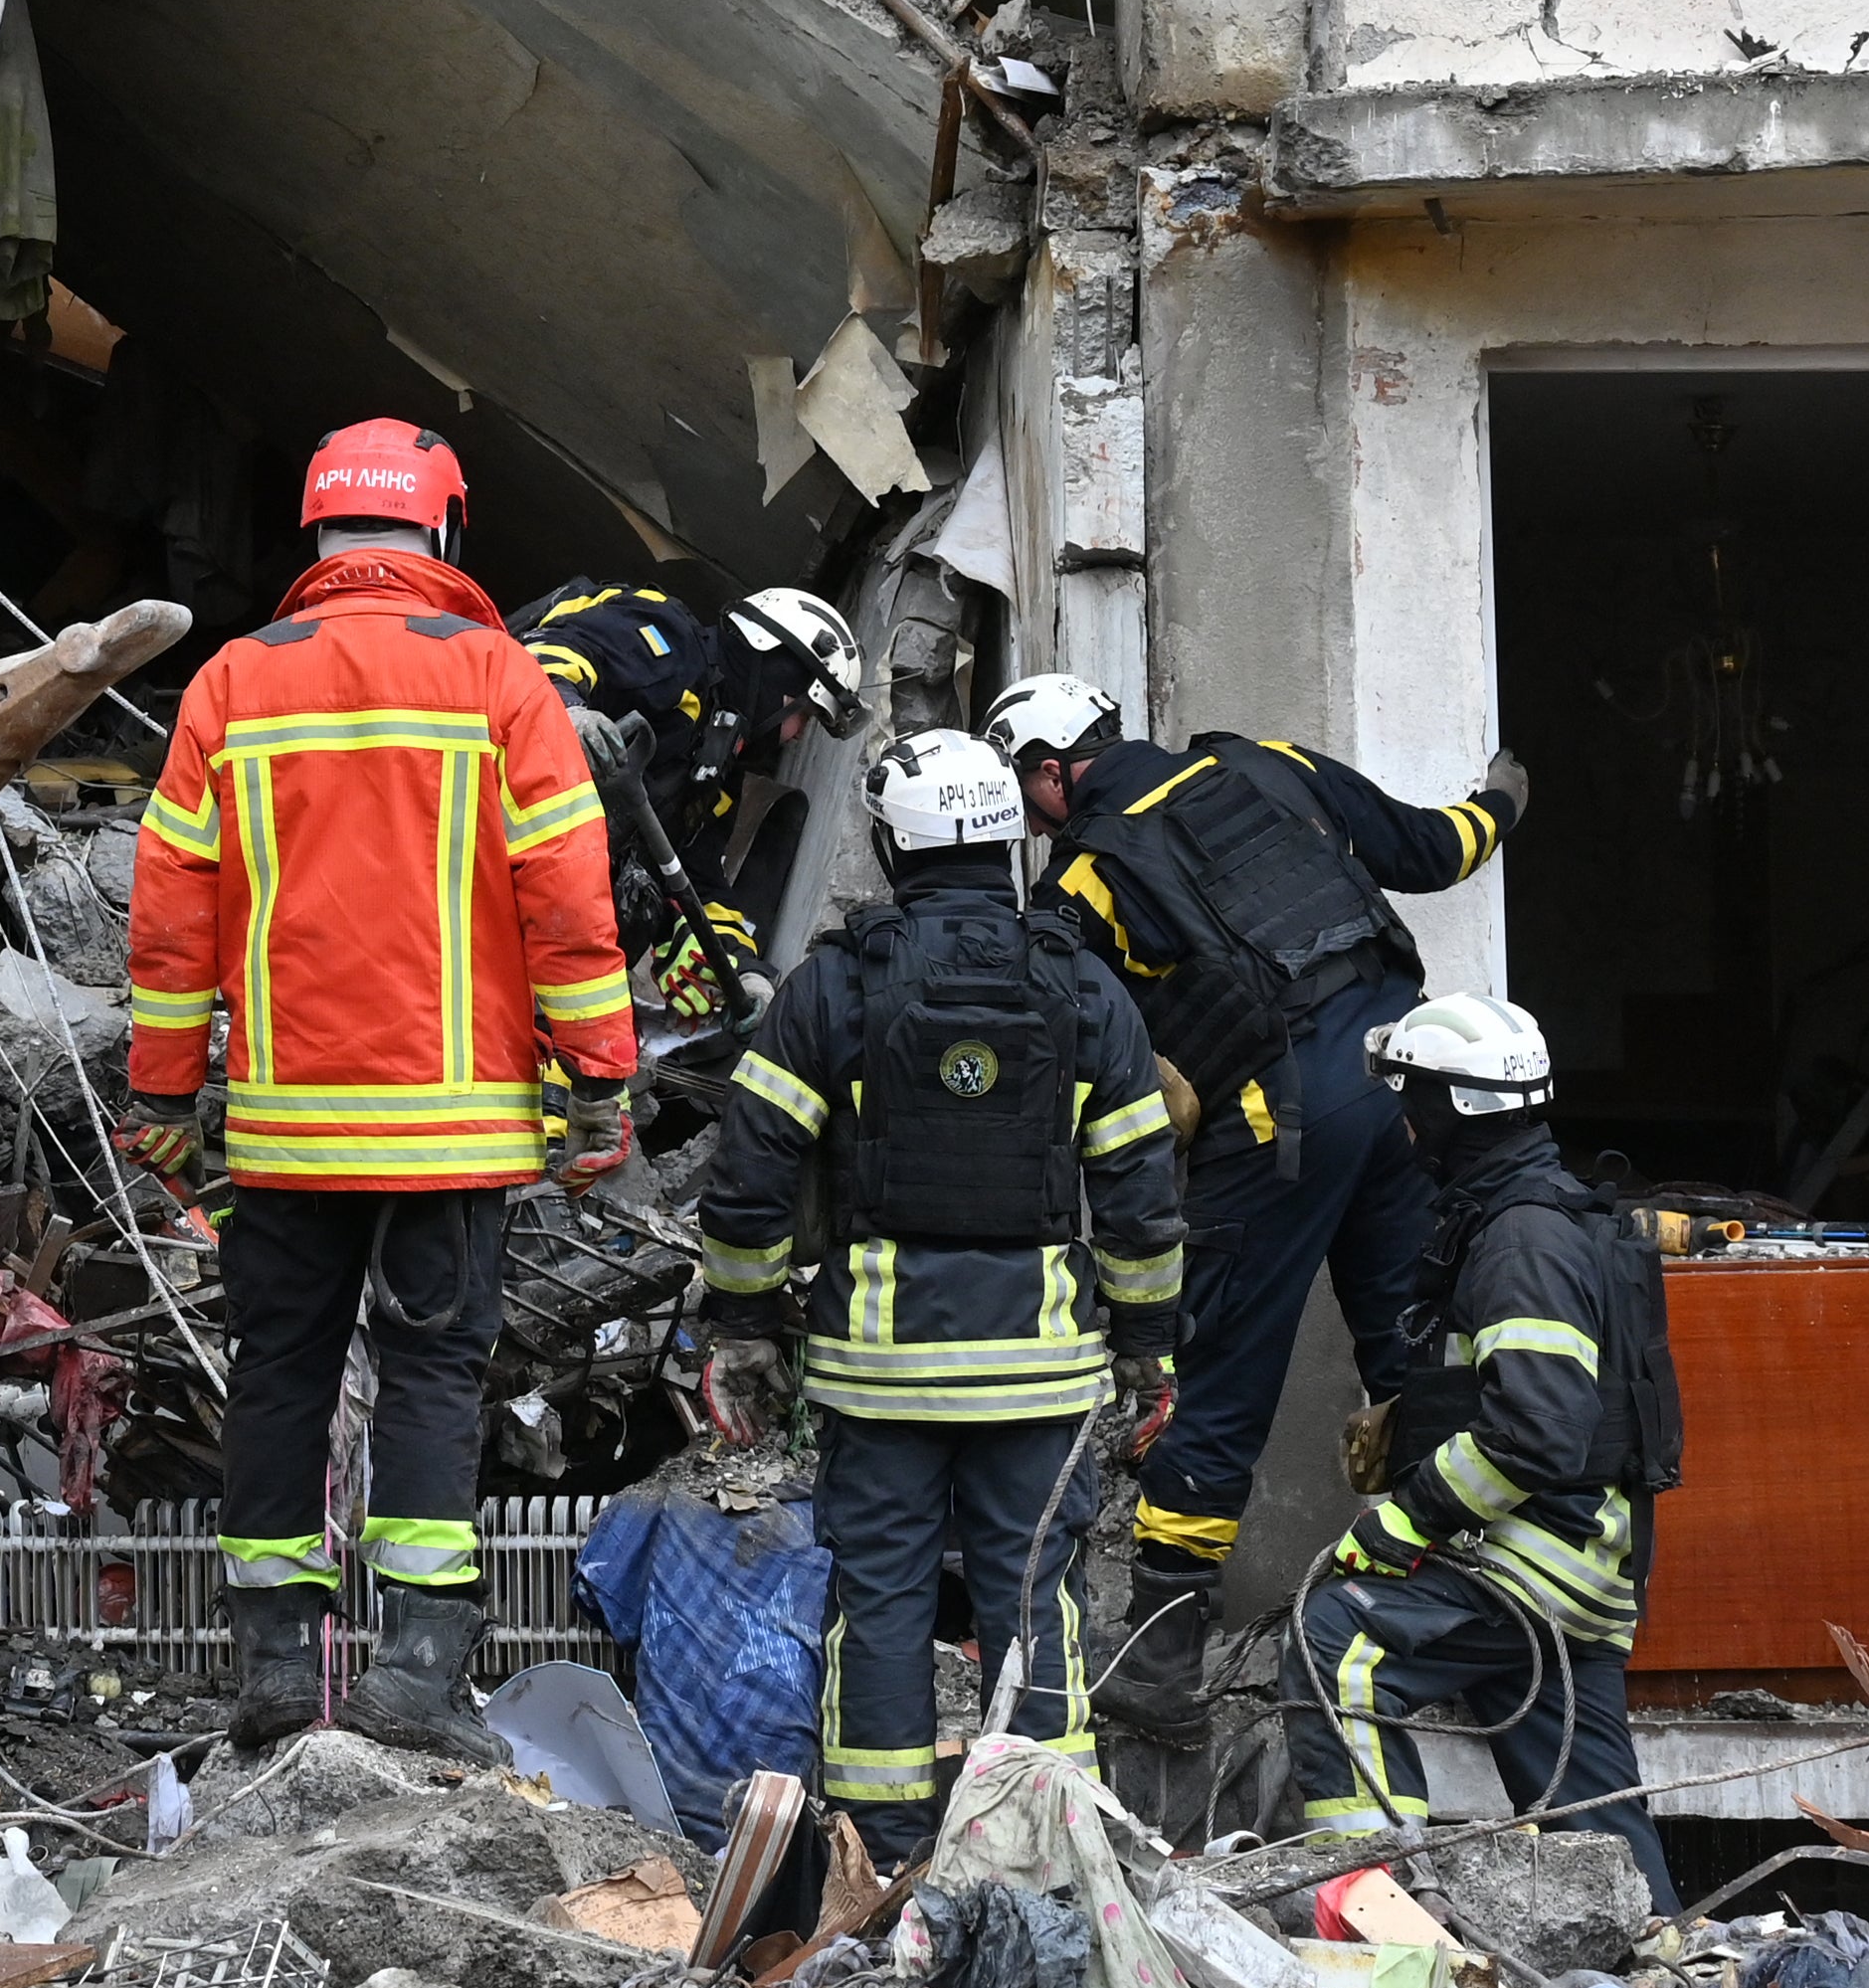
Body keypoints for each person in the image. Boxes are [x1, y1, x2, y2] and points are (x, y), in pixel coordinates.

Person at [123, 420, 637, 1764]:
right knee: (427, 1382)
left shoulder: (232, 685)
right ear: (444, 531)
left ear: (318, 536)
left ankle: (280, 1673)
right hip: (452, 1129)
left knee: (279, 1375)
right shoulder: (497, 680)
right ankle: (413, 1681)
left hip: (289, 1131)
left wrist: (167, 1094)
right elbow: (569, 903)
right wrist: (599, 1079)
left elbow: (170, 914)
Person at [982, 674, 1527, 1731]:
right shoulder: (1265, 763)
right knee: (1409, 1355)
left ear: (1049, 775)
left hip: (1280, 1124)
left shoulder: (1080, 884)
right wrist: (1501, 797)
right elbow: (1435, 848)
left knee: (1220, 1376)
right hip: (1405, 1100)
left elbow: (1060, 1063)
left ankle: (1157, 1658)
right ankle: (1454, 1619)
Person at [688, 731, 1186, 1860]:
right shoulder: (1080, 985)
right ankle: (1050, 1851)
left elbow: (750, 1176)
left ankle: (879, 1849)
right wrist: (1150, 1349)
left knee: (878, 1605)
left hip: (879, 1373)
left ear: (888, 842)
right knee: (1033, 1605)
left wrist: (741, 1330)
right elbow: (1140, 1196)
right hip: (1039, 1373)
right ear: (1010, 836)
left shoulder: (833, 985)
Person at [1289, 994, 1679, 1900]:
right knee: (1596, 1824)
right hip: (1583, 1559)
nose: (1403, 1120)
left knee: (1334, 1638)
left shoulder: (1519, 1242)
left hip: (1535, 1551)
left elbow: (1537, 1434)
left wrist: (1401, 1524)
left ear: (1447, 1111)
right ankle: (1665, 1967)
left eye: (1412, 1099)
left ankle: (1379, 1907)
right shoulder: (1535, 1216)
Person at [516, 579, 872, 994]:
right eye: (805, 716)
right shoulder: (670, 642)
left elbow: (696, 877)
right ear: (779, 678)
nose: (796, 736)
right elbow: (548, 650)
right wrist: (568, 710)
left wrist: (739, 968)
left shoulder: (715, 766)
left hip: (539, 931)